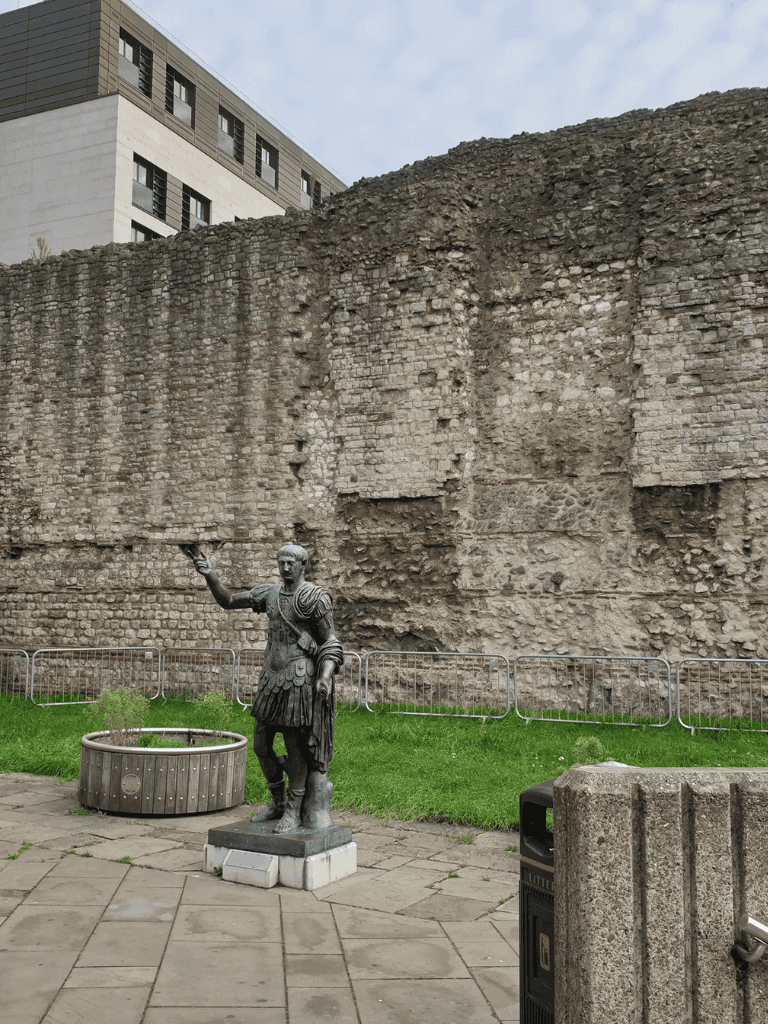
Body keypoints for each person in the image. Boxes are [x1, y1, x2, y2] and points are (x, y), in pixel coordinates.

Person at [193, 544, 343, 832]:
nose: (285, 568)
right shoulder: (270, 594)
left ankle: (293, 810)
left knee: (294, 746)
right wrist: (211, 576)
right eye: (281, 562)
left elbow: (331, 642)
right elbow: (228, 601)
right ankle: (276, 801)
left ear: (303, 566)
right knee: (261, 744)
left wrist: (324, 676)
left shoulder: (314, 597)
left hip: (299, 676)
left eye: (291, 563)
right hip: (271, 677)